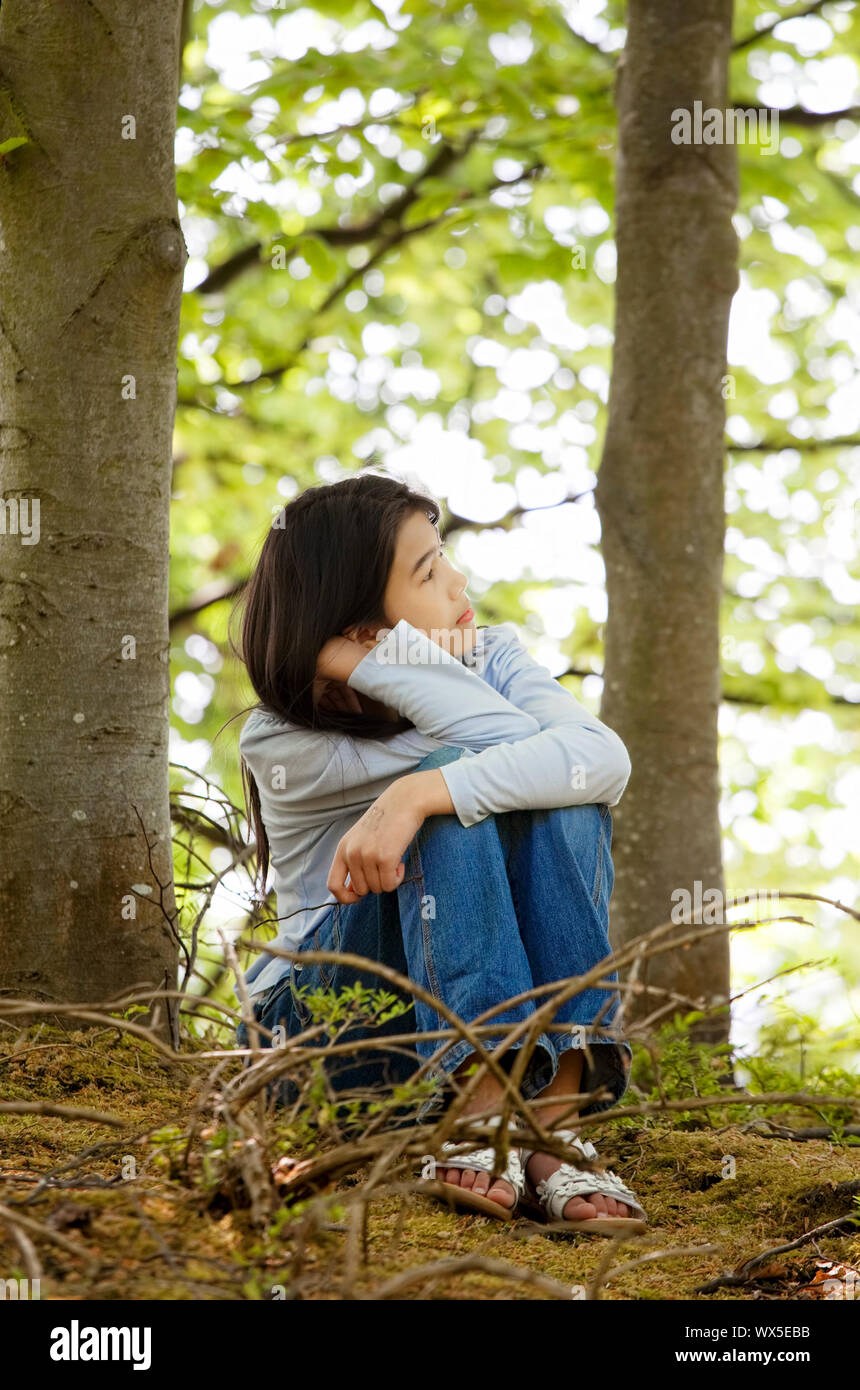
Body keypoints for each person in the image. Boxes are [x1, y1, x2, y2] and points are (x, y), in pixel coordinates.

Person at [232, 469, 647, 1233]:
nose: (459, 581)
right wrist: (396, 715)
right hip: (329, 1036)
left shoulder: (496, 657)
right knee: (465, 776)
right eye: (427, 572)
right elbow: (507, 742)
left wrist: (412, 797)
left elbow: (603, 761)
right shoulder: (283, 739)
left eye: (445, 556)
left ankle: (550, 1127)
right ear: (363, 632)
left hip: (469, 1027)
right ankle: (481, 1100)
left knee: (556, 785)